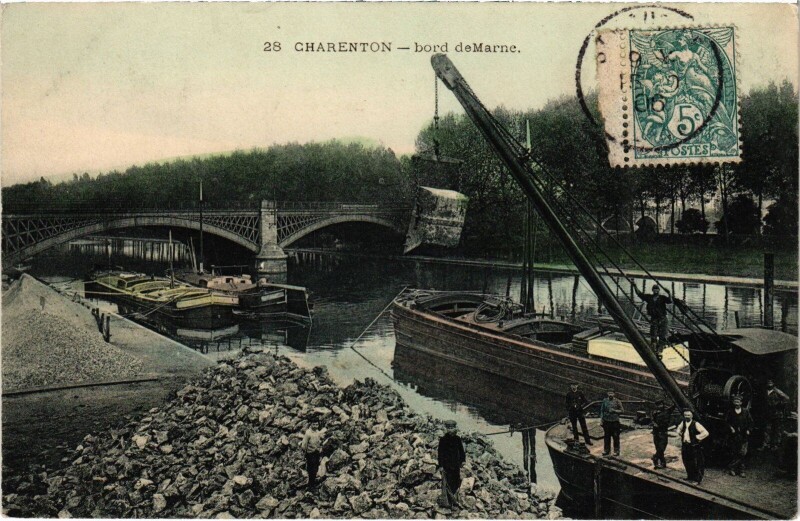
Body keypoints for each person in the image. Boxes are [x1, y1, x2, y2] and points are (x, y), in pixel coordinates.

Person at [632, 282, 672, 358]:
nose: (655, 291)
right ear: (652, 290)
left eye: (657, 289)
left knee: (663, 335)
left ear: (659, 290)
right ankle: (653, 350)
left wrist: (669, 293)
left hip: (663, 318)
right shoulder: (649, 297)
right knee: (653, 335)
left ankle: (660, 351)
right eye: (654, 289)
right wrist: (635, 286)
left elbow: (670, 301)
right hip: (654, 319)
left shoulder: (662, 298)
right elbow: (640, 294)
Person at [437, 420, 466, 508]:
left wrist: (463, 460)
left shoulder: (457, 439)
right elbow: (440, 453)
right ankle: (448, 501)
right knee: (448, 483)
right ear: (446, 429)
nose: (450, 430)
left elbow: (461, 451)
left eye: (452, 428)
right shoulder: (443, 440)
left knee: (456, 482)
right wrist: (441, 465)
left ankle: (454, 500)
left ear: (455, 428)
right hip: (447, 465)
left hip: (456, 465)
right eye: (449, 428)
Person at [677, 409, 709, 485]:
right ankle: (690, 477)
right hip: (685, 445)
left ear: (692, 416)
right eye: (685, 415)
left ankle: (697, 480)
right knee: (687, 461)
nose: (687, 417)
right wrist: (680, 433)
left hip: (694, 446)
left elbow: (706, 433)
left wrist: (697, 438)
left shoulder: (696, 424)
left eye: (688, 415)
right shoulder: (683, 422)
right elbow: (678, 428)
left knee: (696, 463)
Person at [726, 396, 753, 477]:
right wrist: (731, 428)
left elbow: (751, 422)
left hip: (743, 435)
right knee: (735, 452)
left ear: (741, 403)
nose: (736, 403)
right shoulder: (730, 412)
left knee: (743, 453)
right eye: (735, 402)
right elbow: (727, 421)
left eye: (738, 402)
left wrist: (749, 430)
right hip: (734, 435)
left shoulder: (746, 411)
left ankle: (739, 469)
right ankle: (734, 470)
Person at [761, 379, 790, 450]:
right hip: (768, 413)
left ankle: (775, 445)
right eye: (768, 382)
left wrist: (780, 404)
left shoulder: (777, 391)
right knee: (767, 430)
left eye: (771, 382)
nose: (769, 384)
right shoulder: (765, 391)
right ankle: (766, 444)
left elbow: (787, 398)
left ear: (773, 383)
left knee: (777, 430)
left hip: (777, 413)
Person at [300, 421, 326, 487]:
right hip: (310, 453)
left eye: (316, 424)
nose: (315, 426)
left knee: (316, 467)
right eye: (314, 424)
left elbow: (319, 441)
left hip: (316, 452)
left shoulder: (317, 432)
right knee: (311, 468)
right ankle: (311, 484)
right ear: (311, 424)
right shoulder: (308, 433)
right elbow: (304, 444)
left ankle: (313, 481)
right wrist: (305, 452)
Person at [651, 400, 675, 468]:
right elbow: (652, 420)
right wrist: (654, 424)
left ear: (663, 405)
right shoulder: (655, 413)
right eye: (658, 405)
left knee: (661, 448)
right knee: (658, 448)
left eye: (661, 404)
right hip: (656, 432)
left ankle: (655, 458)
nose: (660, 406)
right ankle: (662, 463)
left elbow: (674, 406)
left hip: (663, 432)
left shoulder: (667, 411)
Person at [600, 390, 624, 456]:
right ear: (607, 394)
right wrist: (601, 419)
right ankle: (606, 450)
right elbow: (602, 410)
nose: (610, 394)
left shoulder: (617, 401)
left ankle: (616, 451)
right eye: (609, 393)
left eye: (612, 393)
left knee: (615, 436)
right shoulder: (604, 400)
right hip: (606, 421)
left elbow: (622, 411)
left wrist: (614, 411)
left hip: (615, 422)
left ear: (614, 394)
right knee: (606, 437)